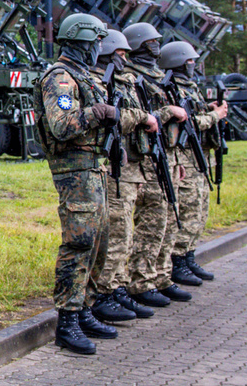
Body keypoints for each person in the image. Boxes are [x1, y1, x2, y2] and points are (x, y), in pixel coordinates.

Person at [37, 13, 120, 356]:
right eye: (96, 42)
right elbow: (61, 126)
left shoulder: (83, 76)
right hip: (74, 171)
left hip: (92, 168)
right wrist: (97, 113)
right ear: (82, 41)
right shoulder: (61, 78)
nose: (100, 48)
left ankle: (84, 308)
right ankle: (67, 321)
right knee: (79, 242)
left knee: (98, 241)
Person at [86, 29, 158, 326]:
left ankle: (115, 287)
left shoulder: (119, 81)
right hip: (111, 166)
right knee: (116, 232)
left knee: (124, 231)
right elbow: (112, 116)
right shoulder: (98, 82)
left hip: (128, 164)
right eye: (121, 53)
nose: (125, 59)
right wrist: (141, 117)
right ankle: (104, 292)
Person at [122, 23, 193, 305]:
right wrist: (165, 112)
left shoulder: (158, 76)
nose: (156, 46)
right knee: (151, 222)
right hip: (145, 156)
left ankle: (161, 276)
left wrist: (175, 157)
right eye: (151, 41)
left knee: (166, 218)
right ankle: (140, 281)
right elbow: (139, 115)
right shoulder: (130, 77)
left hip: (165, 153)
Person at [159, 40, 228, 281]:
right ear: (177, 62)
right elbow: (187, 124)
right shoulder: (170, 88)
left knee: (199, 210)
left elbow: (194, 114)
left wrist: (207, 108)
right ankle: (178, 262)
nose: (193, 64)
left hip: (199, 156)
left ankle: (189, 256)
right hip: (185, 157)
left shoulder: (189, 86)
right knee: (187, 210)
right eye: (189, 60)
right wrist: (214, 115)